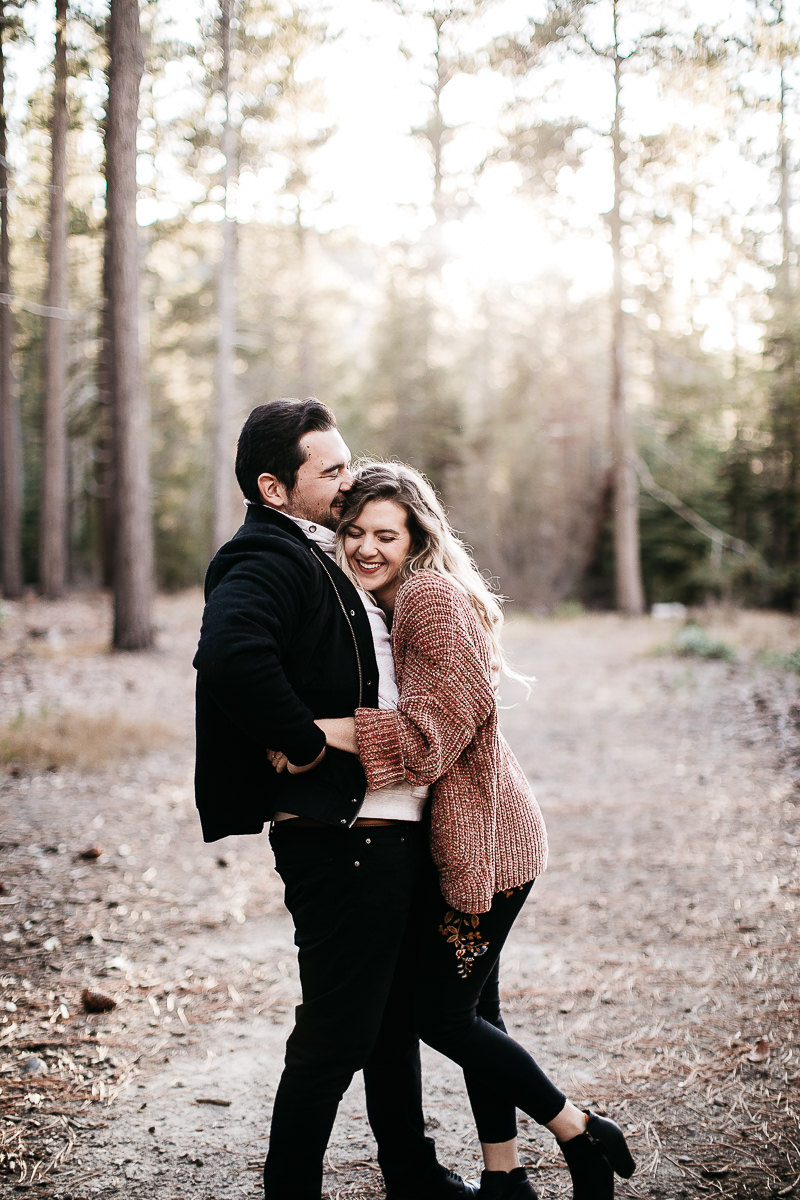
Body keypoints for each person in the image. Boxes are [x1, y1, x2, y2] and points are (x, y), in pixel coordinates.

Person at [304, 460, 638, 1200]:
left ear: (416, 535)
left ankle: (581, 1131)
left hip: (489, 844)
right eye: (352, 532)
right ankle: (504, 1177)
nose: (365, 547)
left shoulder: (425, 598)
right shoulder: (389, 604)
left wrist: (312, 732)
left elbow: (426, 743)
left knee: (442, 1014)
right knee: (478, 1008)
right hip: (468, 836)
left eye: (384, 534)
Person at [193, 401, 477, 1200]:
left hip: (377, 831)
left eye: (348, 462)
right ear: (274, 488)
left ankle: (411, 1172)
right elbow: (230, 656)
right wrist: (308, 741)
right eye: (332, 470)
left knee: (385, 1019)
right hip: (340, 835)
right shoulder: (263, 557)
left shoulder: (319, 552)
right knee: (336, 1032)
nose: (349, 480)